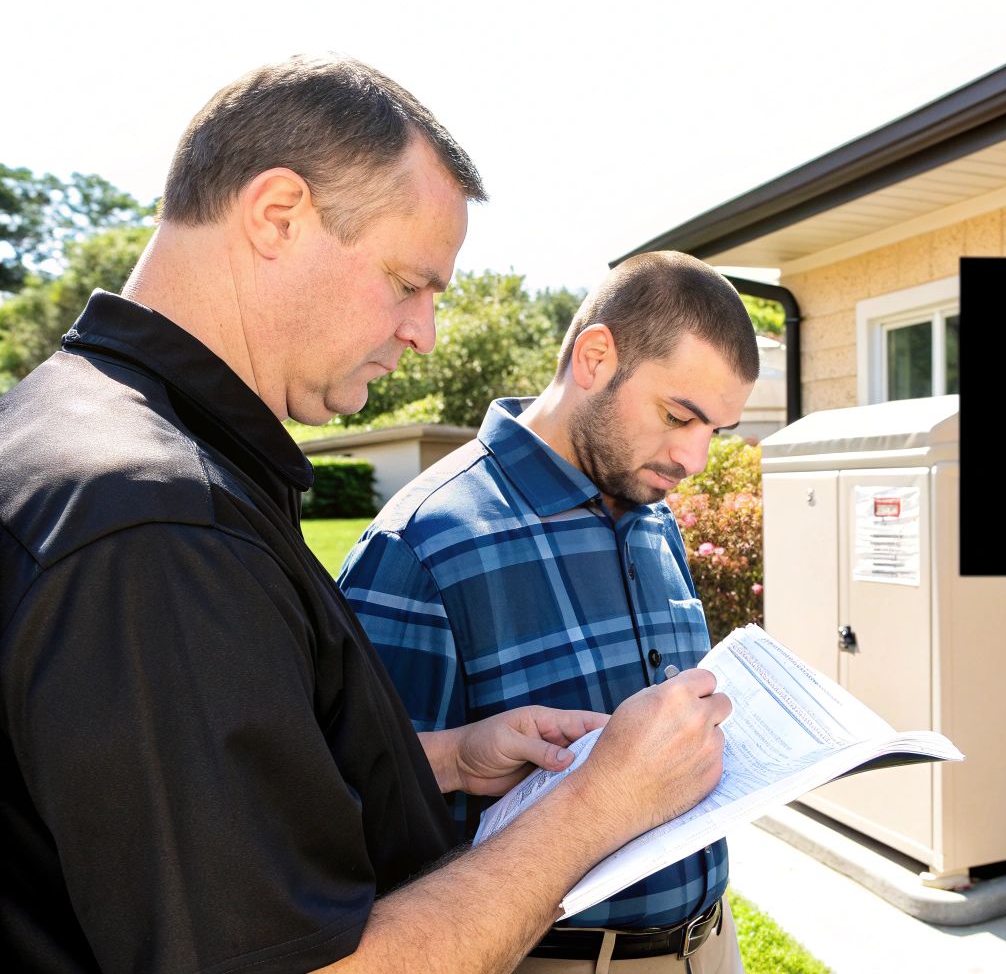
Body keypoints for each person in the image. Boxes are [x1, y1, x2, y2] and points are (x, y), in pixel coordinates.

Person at [0, 54, 731, 974]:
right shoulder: (160, 529)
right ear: (278, 217)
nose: (424, 331)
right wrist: (602, 804)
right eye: (408, 281)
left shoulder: (84, 443)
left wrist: (452, 759)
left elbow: (177, 806)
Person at [338, 251, 759, 973]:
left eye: (716, 431)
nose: (695, 458)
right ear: (596, 357)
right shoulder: (423, 543)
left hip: (710, 945)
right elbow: (353, 805)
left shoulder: (656, 515)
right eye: (678, 416)